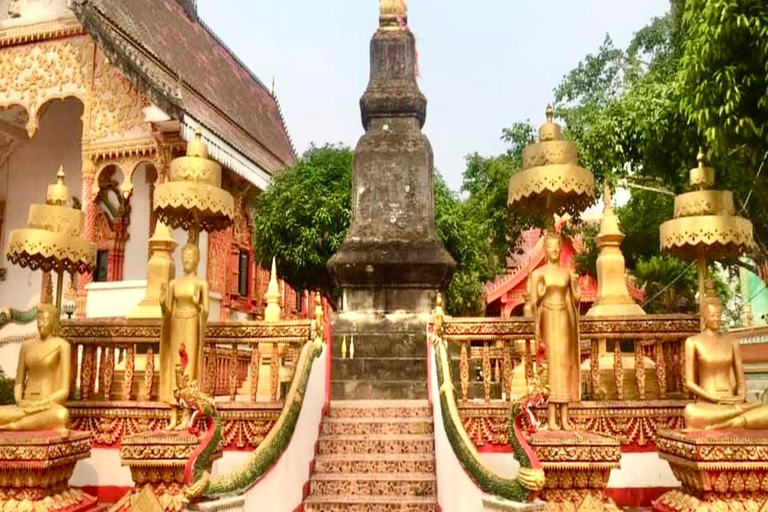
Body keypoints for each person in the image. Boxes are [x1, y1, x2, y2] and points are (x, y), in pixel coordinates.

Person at [683, 292, 767, 429]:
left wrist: (740, 396)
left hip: (733, 403)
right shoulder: (693, 342)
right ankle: (738, 420)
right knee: (690, 412)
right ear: (704, 317)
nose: (716, 319)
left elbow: (741, 380)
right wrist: (713, 398)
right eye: (712, 315)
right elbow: (690, 382)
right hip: (708, 405)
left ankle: (730, 423)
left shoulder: (732, 342)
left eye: (718, 315)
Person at [529, 232, 581, 430]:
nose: (555, 249)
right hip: (548, 318)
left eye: (557, 246)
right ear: (545, 249)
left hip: (564, 319)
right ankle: (551, 417)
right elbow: (532, 304)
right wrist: (540, 297)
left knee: (564, 363)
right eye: (551, 246)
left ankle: (565, 416)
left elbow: (574, 299)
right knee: (551, 364)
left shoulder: (567, 273)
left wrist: (576, 290)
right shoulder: (538, 274)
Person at [160, 243, 209, 430]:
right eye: (185, 257)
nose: (187, 260)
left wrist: (198, 305)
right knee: (175, 366)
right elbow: (167, 310)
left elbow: (205, 313)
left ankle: (186, 414)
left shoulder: (201, 284)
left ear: (197, 260)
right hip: (176, 322)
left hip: (192, 322)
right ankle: (173, 414)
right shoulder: (174, 284)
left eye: (191, 257)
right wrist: (162, 302)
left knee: (187, 367)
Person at [0, 303, 71, 431]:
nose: (40, 324)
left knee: (62, 414)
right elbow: (18, 382)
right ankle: (23, 423)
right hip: (25, 406)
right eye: (38, 320)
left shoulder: (62, 346)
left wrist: (41, 403)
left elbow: (64, 390)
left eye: (44, 320)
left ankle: (16, 425)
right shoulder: (26, 346)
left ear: (53, 322)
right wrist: (19, 400)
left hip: (47, 405)